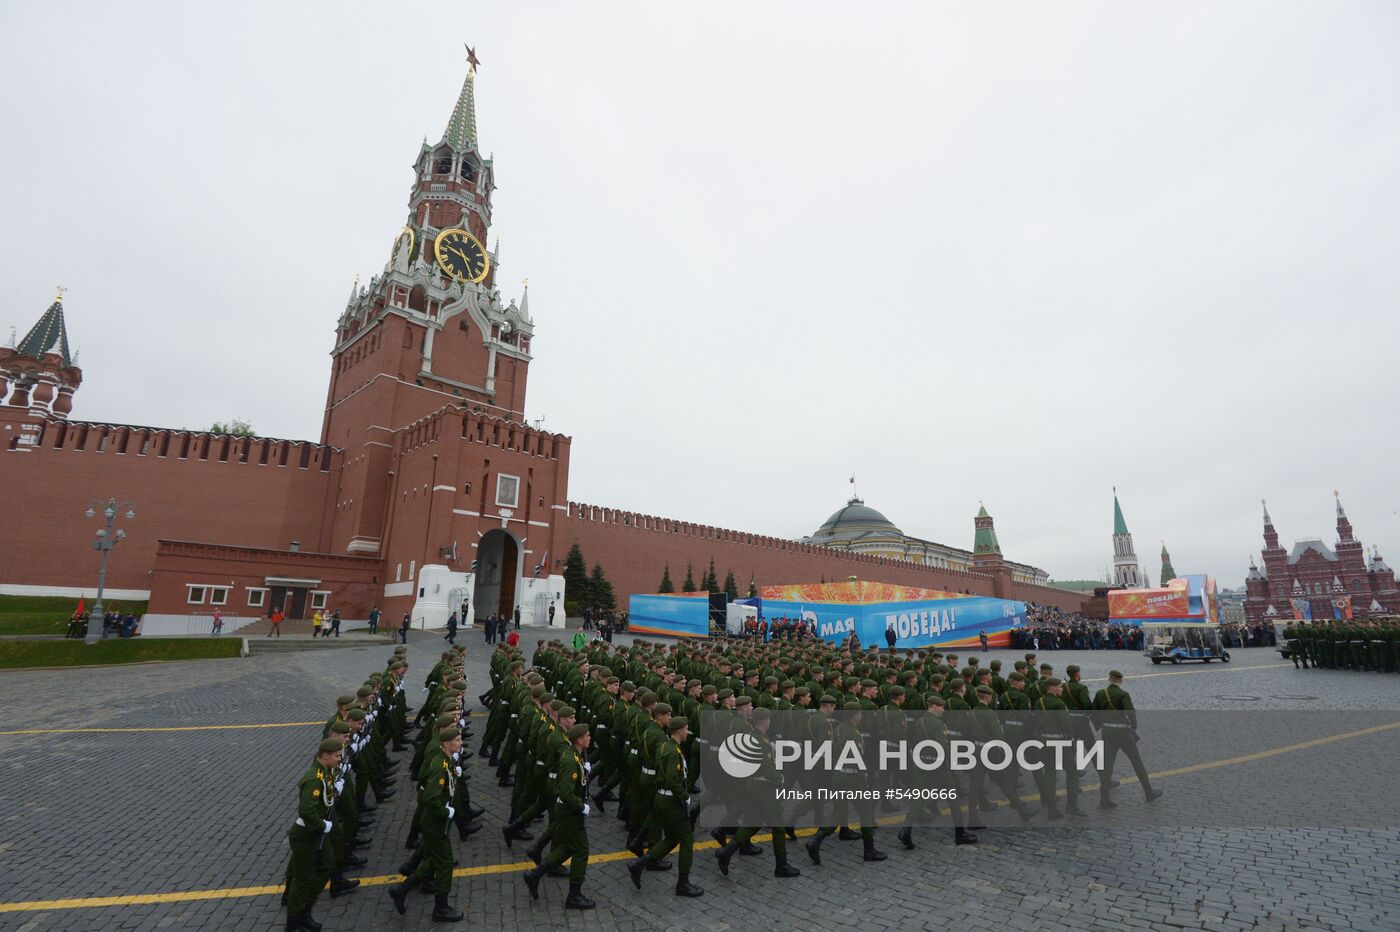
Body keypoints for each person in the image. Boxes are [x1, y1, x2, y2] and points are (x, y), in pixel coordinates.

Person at [627, 715, 704, 898]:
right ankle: (683, 884)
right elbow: (672, 778)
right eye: (686, 729)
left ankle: (639, 864)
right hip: (671, 801)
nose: (688, 732)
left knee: (671, 839)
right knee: (686, 840)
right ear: (679, 731)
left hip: (662, 798)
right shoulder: (673, 752)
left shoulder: (666, 746)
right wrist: (684, 796)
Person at [523, 721, 596, 909]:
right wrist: (581, 807)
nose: (589, 738)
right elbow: (565, 792)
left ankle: (535, 874)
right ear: (579, 739)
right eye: (587, 736)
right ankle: (574, 896)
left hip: (566, 811)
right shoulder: (571, 760)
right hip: (570, 811)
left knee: (568, 847)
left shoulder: (575, 756)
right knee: (582, 850)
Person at [284, 737, 343, 931]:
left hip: (316, 831)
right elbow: (306, 810)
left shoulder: (324, 772)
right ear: (324, 756)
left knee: (328, 864)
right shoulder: (314, 779)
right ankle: (294, 920)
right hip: (306, 834)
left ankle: (306, 906)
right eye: (336, 756)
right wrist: (320, 825)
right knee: (302, 878)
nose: (339, 759)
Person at [1093, 670, 1163, 809]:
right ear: (1121, 680)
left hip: (1107, 732)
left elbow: (1094, 712)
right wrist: (1133, 726)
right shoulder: (1123, 694)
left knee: (1107, 765)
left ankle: (1104, 799)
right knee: (1136, 761)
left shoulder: (1101, 693)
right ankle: (1148, 792)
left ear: (1109, 679)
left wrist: (1099, 725)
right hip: (1122, 732)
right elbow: (1131, 712)